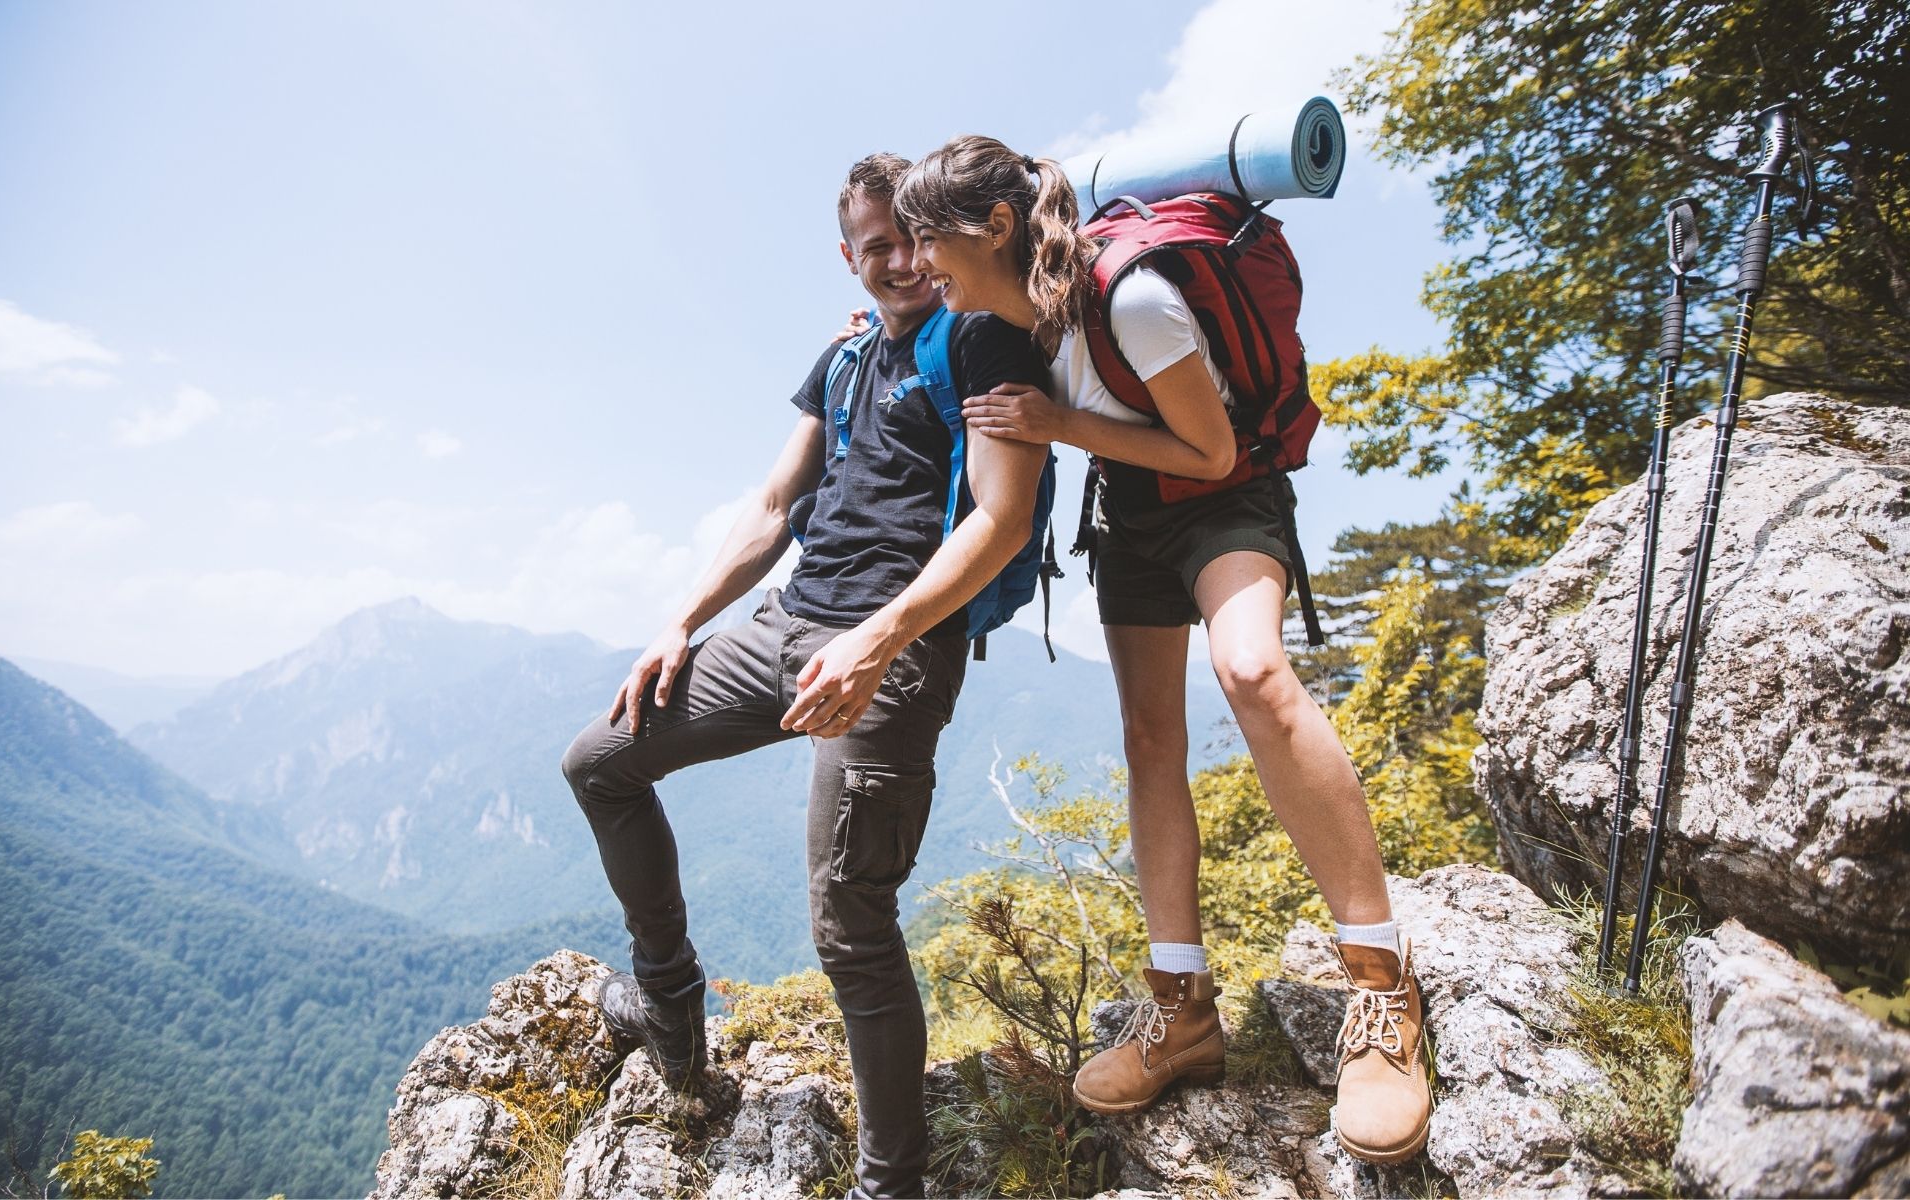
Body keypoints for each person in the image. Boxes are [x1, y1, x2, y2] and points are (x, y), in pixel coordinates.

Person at [891, 135, 1431, 1165]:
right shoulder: (1004, 316)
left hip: (1224, 501)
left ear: (994, 228)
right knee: (1148, 740)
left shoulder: (1129, 298)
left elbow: (1211, 452)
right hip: (1134, 512)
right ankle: (1181, 1013)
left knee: (1252, 673)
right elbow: (927, 343)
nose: (920, 262)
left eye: (928, 240)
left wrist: (1058, 423)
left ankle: (1378, 988)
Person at [559, 152, 1051, 1199]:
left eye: (909, 242)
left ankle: (890, 1181)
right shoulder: (840, 361)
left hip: (897, 648)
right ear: (848, 256)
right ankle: (670, 1005)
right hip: (784, 626)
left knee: (849, 925)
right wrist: (680, 623)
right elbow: (776, 505)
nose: (895, 264)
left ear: (936, 239)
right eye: (872, 248)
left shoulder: (983, 340)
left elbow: (1003, 519)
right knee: (599, 761)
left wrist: (876, 640)